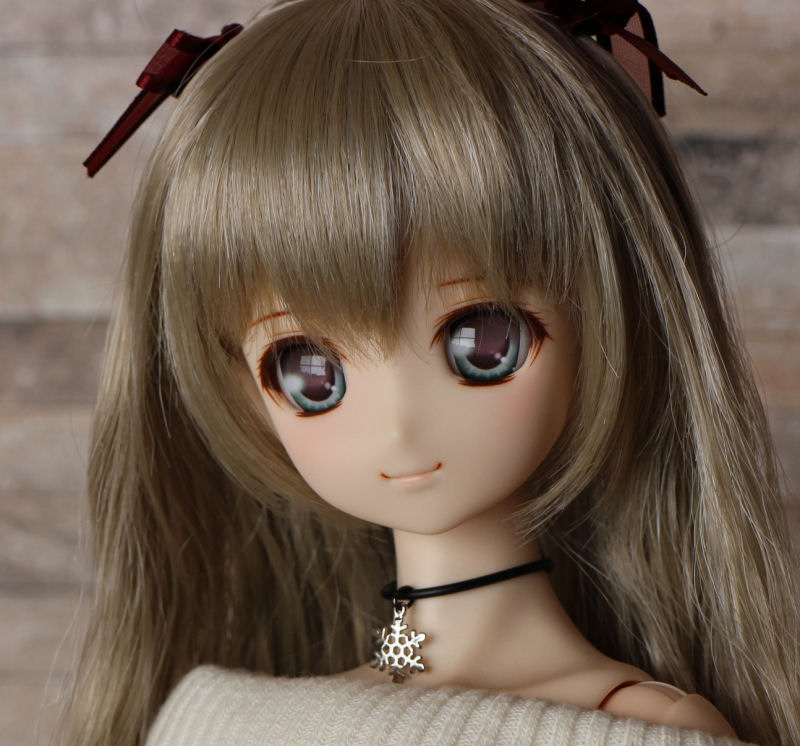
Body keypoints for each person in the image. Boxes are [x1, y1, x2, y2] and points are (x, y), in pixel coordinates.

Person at [65, 0, 800, 743]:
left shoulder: (643, 730)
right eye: (311, 373)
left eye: (482, 343)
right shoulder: (222, 723)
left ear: (610, 320)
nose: (399, 426)